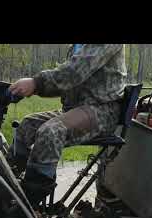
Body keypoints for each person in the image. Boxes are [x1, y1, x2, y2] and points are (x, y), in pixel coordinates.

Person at [8, 44, 127, 209]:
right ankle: (8, 183)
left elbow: (74, 73)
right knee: (27, 126)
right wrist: (31, 88)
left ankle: (26, 205)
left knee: (51, 132)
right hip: (75, 110)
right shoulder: (77, 46)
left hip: (101, 110)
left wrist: (36, 83)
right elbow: (67, 83)